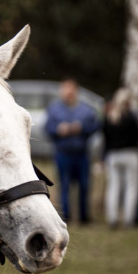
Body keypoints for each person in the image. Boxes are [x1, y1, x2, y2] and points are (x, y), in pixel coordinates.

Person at [45, 79, 100, 224]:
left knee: (84, 185)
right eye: (65, 89)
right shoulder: (54, 109)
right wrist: (59, 130)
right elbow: (48, 128)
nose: (68, 93)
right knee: (64, 185)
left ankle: (84, 216)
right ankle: (65, 216)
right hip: (63, 153)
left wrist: (80, 128)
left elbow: (95, 126)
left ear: (76, 91)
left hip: (81, 154)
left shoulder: (85, 109)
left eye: (71, 89)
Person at [102, 88, 138, 229]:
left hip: (113, 155)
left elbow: (105, 137)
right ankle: (129, 219)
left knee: (114, 186)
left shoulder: (110, 117)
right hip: (131, 154)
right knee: (131, 186)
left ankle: (113, 218)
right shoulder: (132, 117)